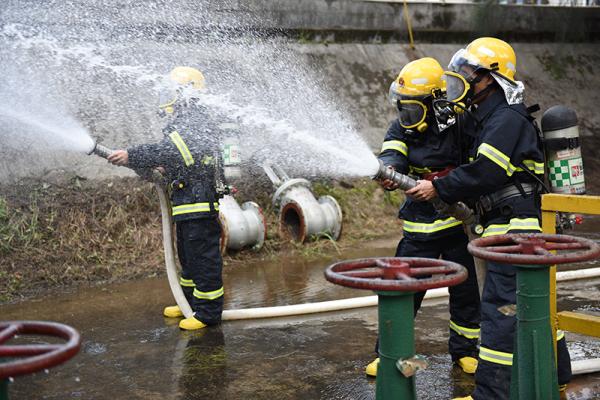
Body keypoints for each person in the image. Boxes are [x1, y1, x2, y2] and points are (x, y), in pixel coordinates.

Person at [406, 38, 571, 399]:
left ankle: (491, 395)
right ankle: (557, 376)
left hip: (516, 227)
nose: (462, 80)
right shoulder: (484, 119)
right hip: (507, 224)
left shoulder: (506, 119)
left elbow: (487, 171)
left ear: (491, 79)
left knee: (499, 311)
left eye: (469, 73)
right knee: (531, 304)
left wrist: (439, 187)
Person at [367, 57, 481, 377]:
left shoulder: (461, 124)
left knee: (466, 292)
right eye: (403, 106)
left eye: (413, 108)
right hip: (419, 230)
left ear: (435, 104)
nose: (405, 115)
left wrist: (444, 183)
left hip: (457, 225)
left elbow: (476, 166)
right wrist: (389, 171)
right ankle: (389, 353)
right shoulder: (400, 127)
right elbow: (393, 154)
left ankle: (465, 351)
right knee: (402, 292)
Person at [108, 66, 225, 331]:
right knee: (188, 257)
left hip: (198, 203)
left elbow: (171, 151)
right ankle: (189, 304)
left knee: (203, 259)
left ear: (186, 93)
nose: (167, 97)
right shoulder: (184, 121)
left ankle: (208, 313)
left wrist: (132, 155)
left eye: (172, 92)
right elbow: (179, 158)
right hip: (187, 202)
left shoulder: (195, 120)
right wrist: (156, 167)